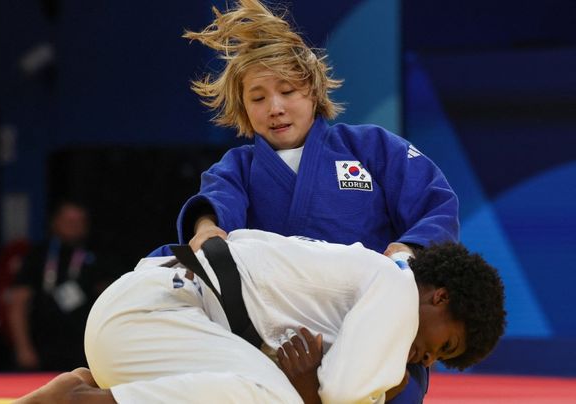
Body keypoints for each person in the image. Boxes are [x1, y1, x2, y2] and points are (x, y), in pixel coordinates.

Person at [147, 1, 460, 401]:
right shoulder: (240, 166)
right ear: (244, 108)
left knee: (399, 393)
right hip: (273, 329)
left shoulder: (370, 147)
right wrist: (207, 229)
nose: (275, 108)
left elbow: (437, 203)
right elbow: (216, 201)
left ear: (312, 90)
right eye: (257, 98)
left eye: (287, 91)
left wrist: (408, 248)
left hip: (362, 318)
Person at [16, 229, 505, 404]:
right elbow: (340, 393)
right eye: (443, 346)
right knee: (275, 401)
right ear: (439, 297)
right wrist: (309, 388)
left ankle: (83, 388)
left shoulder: (369, 296)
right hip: (154, 312)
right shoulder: (395, 284)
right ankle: (80, 402)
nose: (426, 358)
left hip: (144, 333)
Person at [9, 200, 118, 371]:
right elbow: (18, 303)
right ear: (55, 223)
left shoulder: (99, 256)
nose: (74, 226)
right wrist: (23, 348)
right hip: (42, 344)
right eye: (69, 221)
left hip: (85, 348)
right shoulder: (38, 254)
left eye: (79, 222)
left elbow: (112, 302)